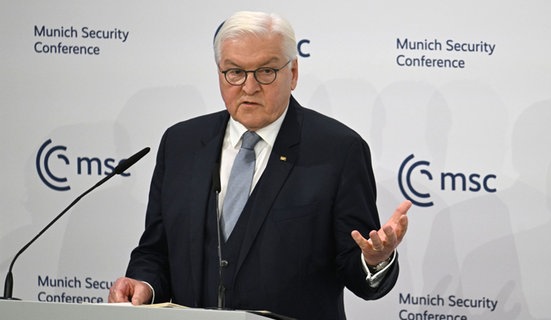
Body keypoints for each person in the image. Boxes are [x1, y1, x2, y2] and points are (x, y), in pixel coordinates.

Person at [108, 10, 411, 320]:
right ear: (220, 73)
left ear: (293, 73)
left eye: (266, 71)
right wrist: (143, 283)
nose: (249, 87)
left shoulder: (339, 151)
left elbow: (359, 273)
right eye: (235, 72)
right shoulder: (181, 144)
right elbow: (156, 251)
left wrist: (375, 261)